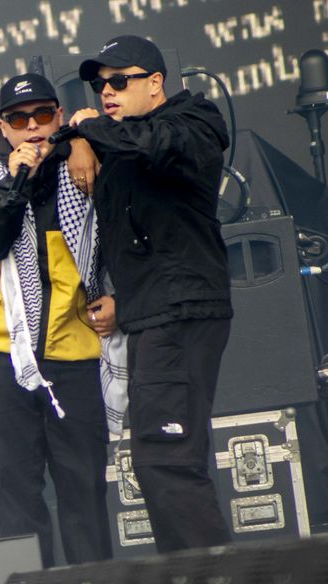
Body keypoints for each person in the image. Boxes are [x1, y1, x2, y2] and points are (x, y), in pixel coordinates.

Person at [68, 35, 233, 552]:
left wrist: (88, 129)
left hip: (180, 310)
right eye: (99, 86)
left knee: (168, 459)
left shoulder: (194, 118)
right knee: (157, 460)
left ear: (156, 83)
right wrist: (76, 141)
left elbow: (152, 146)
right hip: (152, 312)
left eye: (119, 81)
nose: (107, 92)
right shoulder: (115, 138)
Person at [0, 72, 115, 567]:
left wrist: (118, 297)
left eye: (44, 114)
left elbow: (129, 232)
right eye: (19, 119)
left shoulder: (84, 161)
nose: (32, 127)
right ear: (3, 128)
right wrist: (14, 183)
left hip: (71, 354)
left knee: (84, 492)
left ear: (58, 116)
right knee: (17, 499)